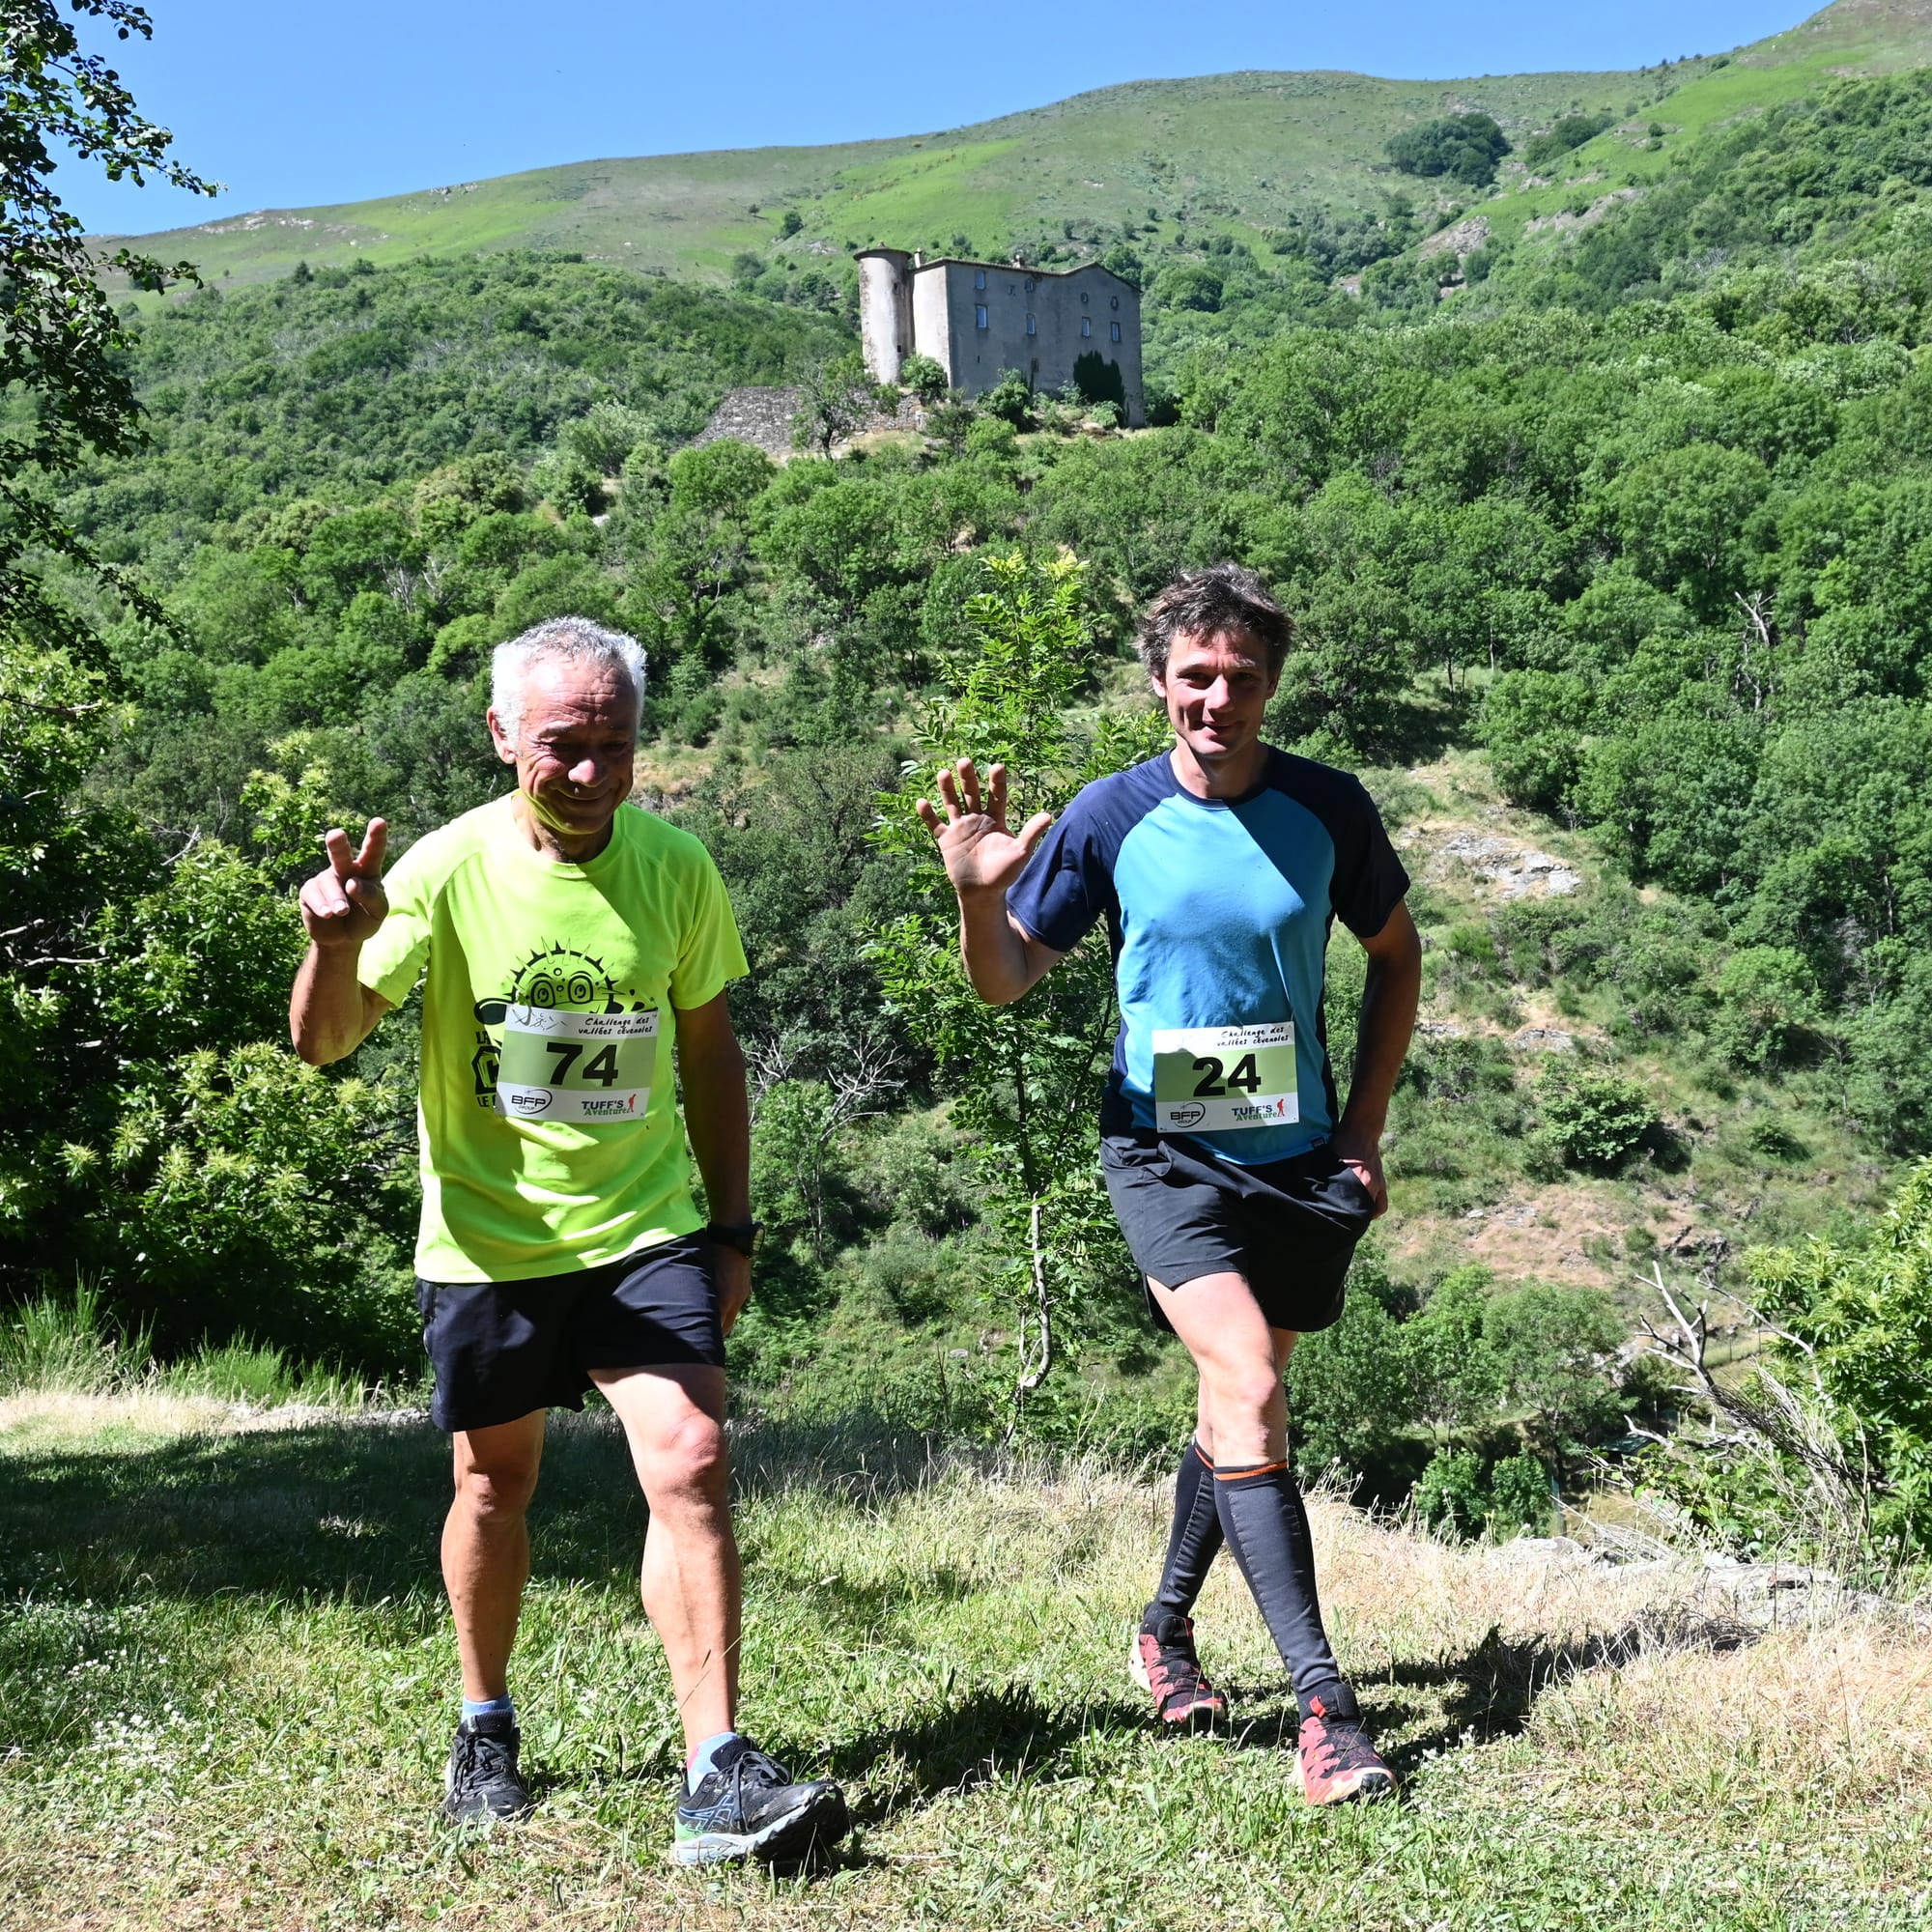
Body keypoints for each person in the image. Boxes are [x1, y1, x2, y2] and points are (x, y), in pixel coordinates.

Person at [289, 616, 847, 1866]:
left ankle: (718, 1769)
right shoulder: (439, 872)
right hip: (490, 1242)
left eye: (616, 746)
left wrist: (732, 1227)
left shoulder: (676, 869)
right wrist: (333, 946)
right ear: (502, 739)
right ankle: (484, 1723)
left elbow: (710, 1054)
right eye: (563, 747)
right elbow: (323, 1043)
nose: (592, 774)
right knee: (496, 1484)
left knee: (692, 1459)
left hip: (646, 1229)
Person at [917, 565, 1421, 1806]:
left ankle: (1162, 1632)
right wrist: (978, 898)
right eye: (1194, 675)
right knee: (1245, 1380)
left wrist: (1361, 1127)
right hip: (1164, 1152)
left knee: (1240, 1403)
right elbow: (1005, 978)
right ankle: (1325, 1709)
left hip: (1298, 1161)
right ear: (1158, 683)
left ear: (1270, 686)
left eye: (1240, 677)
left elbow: (1394, 958)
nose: (1217, 698)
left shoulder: (1328, 808)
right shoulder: (1110, 814)